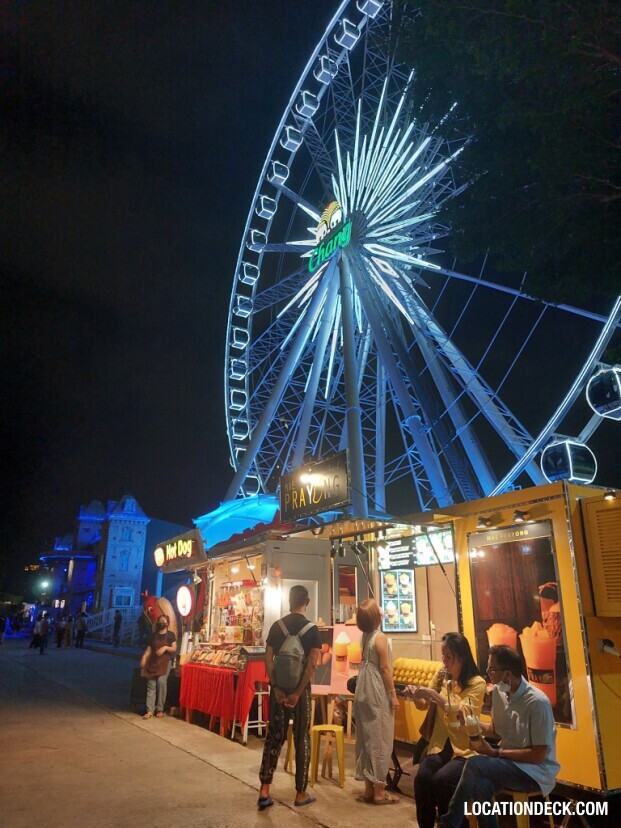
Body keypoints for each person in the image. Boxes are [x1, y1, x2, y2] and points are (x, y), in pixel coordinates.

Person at [439, 644, 560, 828]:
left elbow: (538, 755)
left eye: (492, 669)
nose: (488, 673)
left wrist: (495, 753)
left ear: (507, 674)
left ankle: (448, 824)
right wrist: (470, 722)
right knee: (481, 785)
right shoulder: (499, 693)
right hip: (510, 763)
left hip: (534, 771)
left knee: (474, 763)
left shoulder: (537, 703)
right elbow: (496, 730)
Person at [407, 632, 486, 827]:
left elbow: (463, 712)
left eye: (448, 657)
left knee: (442, 781)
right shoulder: (442, 674)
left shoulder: (477, 683)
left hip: (465, 750)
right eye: (442, 656)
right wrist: (417, 696)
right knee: (423, 777)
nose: (444, 661)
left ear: (461, 657)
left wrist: (435, 695)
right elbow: (425, 703)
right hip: (441, 745)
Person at [258, 585, 321, 810]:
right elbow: (312, 664)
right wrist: (297, 693)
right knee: (302, 738)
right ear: (307, 602)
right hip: (300, 693)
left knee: (274, 736)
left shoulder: (277, 626)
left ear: (289, 601)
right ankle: (301, 793)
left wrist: (276, 687)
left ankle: (264, 790)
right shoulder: (313, 630)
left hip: (278, 691)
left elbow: (268, 659)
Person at [353, 598, 401, 806]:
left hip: (363, 686)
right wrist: (393, 694)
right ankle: (380, 792)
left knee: (365, 738)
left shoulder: (365, 637)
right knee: (381, 737)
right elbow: (385, 669)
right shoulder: (380, 638)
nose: (382, 611)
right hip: (376, 688)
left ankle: (368, 789)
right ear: (375, 616)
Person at [139, 614, 177, 719]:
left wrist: (165, 647)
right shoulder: (153, 636)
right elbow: (149, 650)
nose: (162, 623)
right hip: (153, 662)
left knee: (161, 683)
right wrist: (144, 658)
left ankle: (160, 709)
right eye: (160, 621)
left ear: (167, 623)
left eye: (164, 621)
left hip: (165, 663)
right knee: (151, 685)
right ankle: (149, 710)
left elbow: (174, 649)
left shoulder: (170, 635)